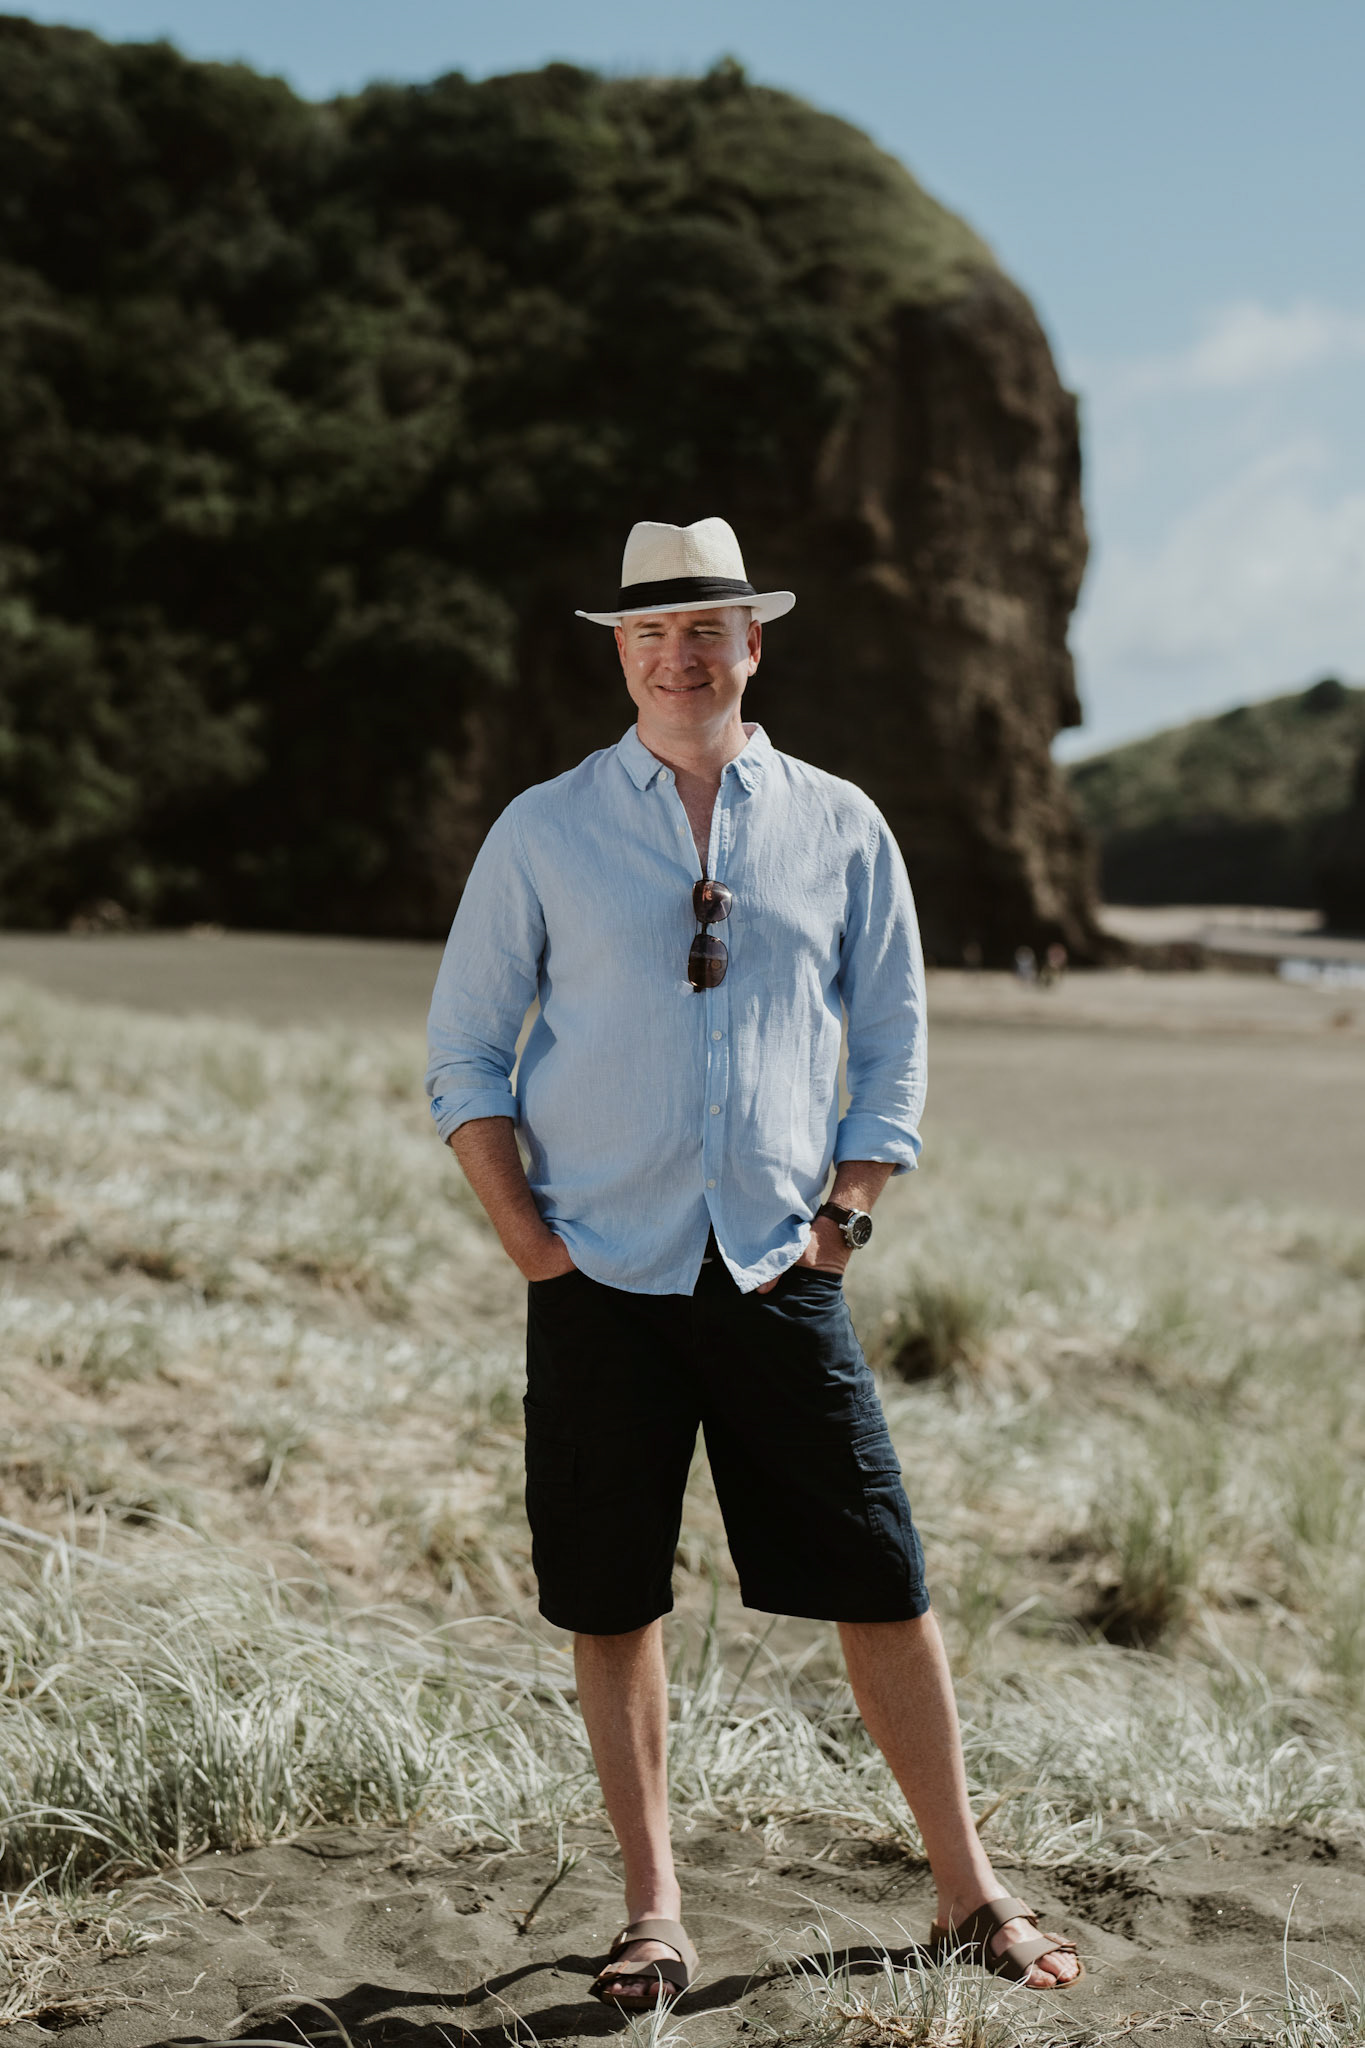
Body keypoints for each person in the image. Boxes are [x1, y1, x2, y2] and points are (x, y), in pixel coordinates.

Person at [425, 517, 1082, 2009]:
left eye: (705, 629)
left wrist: (846, 1217)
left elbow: (893, 1043)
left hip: (782, 1271)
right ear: (621, 652)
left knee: (883, 1575)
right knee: (610, 1601)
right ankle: (654, 1915)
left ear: (752, 644)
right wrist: (533, 1247)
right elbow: (464, 1052)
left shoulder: (841, 824)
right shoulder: (544, 828)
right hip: (597, 1278)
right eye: (651, 632)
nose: (680, 656)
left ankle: (968, 1891)